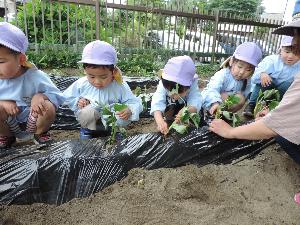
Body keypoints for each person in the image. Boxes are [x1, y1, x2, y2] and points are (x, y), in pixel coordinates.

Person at [209, 1, 300, 205]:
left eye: (296, 36)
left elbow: (278, 125)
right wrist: (272, 117)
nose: (294, 44)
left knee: (281, 133)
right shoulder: (224, 75)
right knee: (282, 134)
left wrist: (231, 132)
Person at [0, 22, 65, 149]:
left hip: (34, 121)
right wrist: (2, 104)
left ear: (21, 59)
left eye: (1, 61)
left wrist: (41, 96)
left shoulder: (35, 76)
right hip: (8, 124)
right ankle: (5, 136)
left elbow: (58, 96)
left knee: (47, 106)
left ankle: (40, 134)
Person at [63, 40, 143, 139]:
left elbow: (135, 102)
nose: (97, 82)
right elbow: (66, 97)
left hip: (111, 122)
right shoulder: (81, 84)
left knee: (120, 112)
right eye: (91, 77)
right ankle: (87, 131)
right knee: (87, 111)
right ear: (85, 71)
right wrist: (78, 101)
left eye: (103, 77)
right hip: (90, 121)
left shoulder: (120, 86)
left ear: (113, 72)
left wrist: (129, 109)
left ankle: (114, 132)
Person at [243, 35, 300, 117]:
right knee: (264, 82)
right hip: (264, 90)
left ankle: (277, 108)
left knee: (290, 84)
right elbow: (254, 77)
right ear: (280, 50)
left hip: (281, 94)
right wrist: (262, 74)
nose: (290, 56)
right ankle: (251, 105)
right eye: (287, 52)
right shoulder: (271, 60)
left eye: (295, 53)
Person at [201, 42, 262, 116]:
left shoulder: (247, 80)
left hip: (224, 105)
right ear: (231, 62)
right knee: (229, 97)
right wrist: (215, 103)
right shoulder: (222, 74)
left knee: (240, 98)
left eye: (248, 70)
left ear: (253, 71)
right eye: (239, 66)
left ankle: (224, 116)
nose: (242, 72)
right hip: (208, 103)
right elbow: (212, 89)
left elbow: (246, 95)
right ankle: (209, 114)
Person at [150, 55, 202, 135]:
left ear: (188, 87)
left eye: (176, 93)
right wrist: (160, 121)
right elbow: (157, 101)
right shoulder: (165, 82)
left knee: (193, 117)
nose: (172, 96)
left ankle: (187, 123)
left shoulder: (192, 83)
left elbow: (195, 100)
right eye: (169, 90)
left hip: (185, 109)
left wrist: (187, 111)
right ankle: (170, 121)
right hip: (171, 107)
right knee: (169, 112)